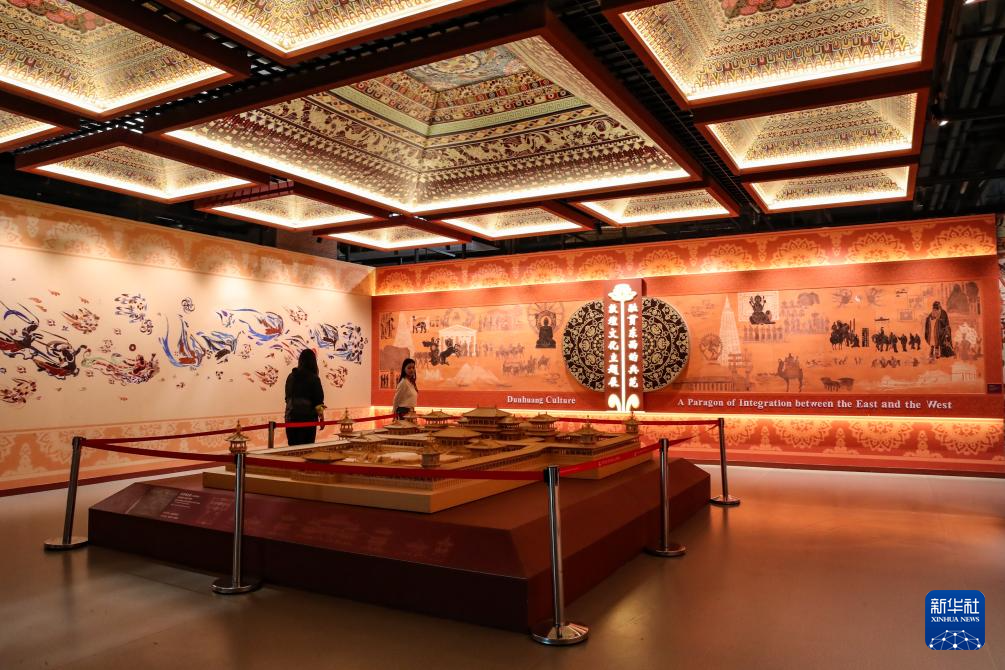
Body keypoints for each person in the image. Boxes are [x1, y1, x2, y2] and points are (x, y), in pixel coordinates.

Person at [284, 349, 325, 446]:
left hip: (290, 419)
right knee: (307, 450)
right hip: (308, 420)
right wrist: (322, 418)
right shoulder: (314, 378)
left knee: (293, 449)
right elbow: (318, 402)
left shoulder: (291, 376)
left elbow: (287, 398)